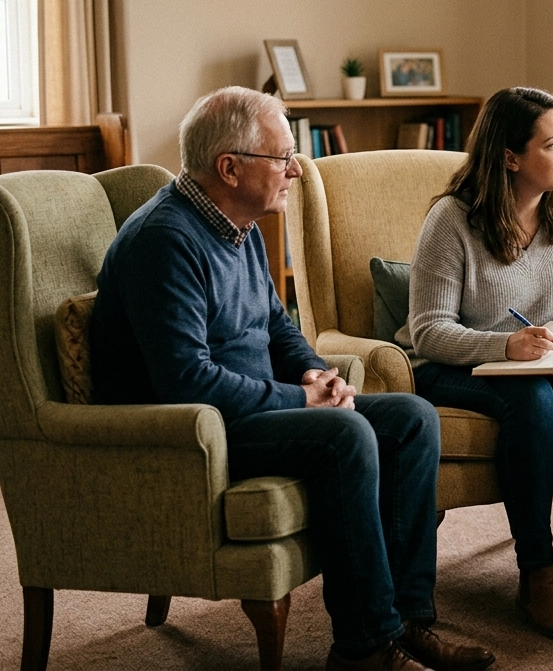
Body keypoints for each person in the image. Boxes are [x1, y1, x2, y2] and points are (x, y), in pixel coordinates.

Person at [89, 87, 493, 671]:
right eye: (281, 157)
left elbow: (278, 325)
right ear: (229, 168)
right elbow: (187, 381)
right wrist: (303, 399)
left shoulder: (239, 225)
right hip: (190, 432)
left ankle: (409, 624)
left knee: (411, 418)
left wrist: (315, 373)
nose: (296, 170)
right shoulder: (165, 241)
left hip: (252, 410)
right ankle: (365, 648)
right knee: (347, 436)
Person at [398, 87, 553, 642]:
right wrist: (505, 347)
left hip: (545, 358)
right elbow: (429, 331)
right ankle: (537, 575)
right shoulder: (452, 221)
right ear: (509, 157)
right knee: (530, 399)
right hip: (452, 365)